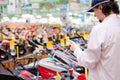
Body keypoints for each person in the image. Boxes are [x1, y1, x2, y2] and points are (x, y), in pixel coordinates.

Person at [69, 0, 120, 80]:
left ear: (100, 7)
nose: (95, 15)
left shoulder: (100, 29)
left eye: (94, 11)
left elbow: (89, 62)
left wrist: (76, 50)